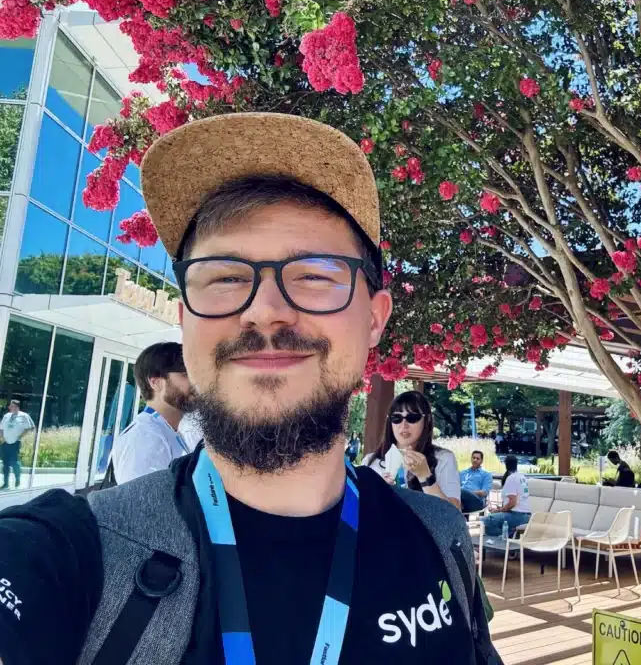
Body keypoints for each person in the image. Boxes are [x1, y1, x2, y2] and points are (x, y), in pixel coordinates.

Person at [0, 113, 499, 665]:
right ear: (186, 317)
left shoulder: (440, 538)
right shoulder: (67, 554)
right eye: (226, 276)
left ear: (375, 320)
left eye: (314, 274)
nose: (264, 311)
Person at [363, 391, 461, 509]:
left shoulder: (443, 458)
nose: (404, 425)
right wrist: (379, 493)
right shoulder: (370, 461)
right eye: (397, 418)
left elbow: (454, 513)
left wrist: (426, 477)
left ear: (427, 419)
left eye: (412, 418)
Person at [110, 342, 193, 483]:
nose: (195, 382)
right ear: (156, 383)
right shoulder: (145, 437)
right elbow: (141, 503)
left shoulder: (165, 430)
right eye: (185, 374)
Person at [482, 455, 531, 537]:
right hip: (526, 516)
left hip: (517, 516)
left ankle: (506, 537)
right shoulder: (522, 477)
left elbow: (512, 503)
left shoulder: (511, 478)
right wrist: (500, 509)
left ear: (505, 464)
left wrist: (498, 510)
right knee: (495, 521)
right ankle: (508, 535)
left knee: (486, 520)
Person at [0, 401, 34, 490]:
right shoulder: (6, 416)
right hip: (5, 442)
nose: (9, 407)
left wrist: (20, 436)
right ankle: (6, 483)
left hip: (15, 442)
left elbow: (30, 427)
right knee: (5, 463)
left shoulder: (24, 416)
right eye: (10, 406)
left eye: (11, 406)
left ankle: (17, 479)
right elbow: (1, 428)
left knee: (15, 462)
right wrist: (1, 438)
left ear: (17, 407)